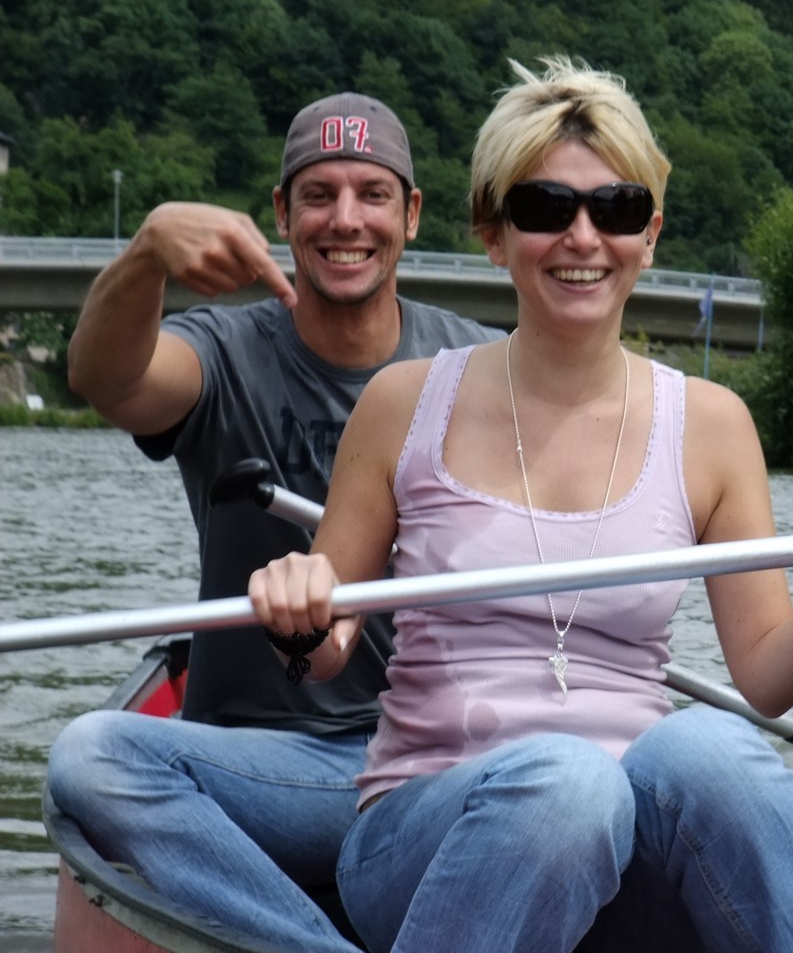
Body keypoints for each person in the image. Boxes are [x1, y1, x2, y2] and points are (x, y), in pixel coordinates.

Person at [249, 57, 793, 953]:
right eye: (545, 208)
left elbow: (761, 679)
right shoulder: (403, 403)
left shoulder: (713, 424)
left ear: (651, 235)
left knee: (711, 751)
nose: (583, 237)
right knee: (567, 783)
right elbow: (325, 648)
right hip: (423, 835)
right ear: (494, 234)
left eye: (618, 209)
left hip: (622, 842)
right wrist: (296, 608)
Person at [46, 92, 503, 951]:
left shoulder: (480, 367)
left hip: (436, 764)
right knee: (89, 758)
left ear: (410, 214)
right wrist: (147, 253)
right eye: (319, 195)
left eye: (372, 194)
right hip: (256, 767)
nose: (346, 219)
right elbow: (106, 379)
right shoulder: (222, 351)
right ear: (282, 213)